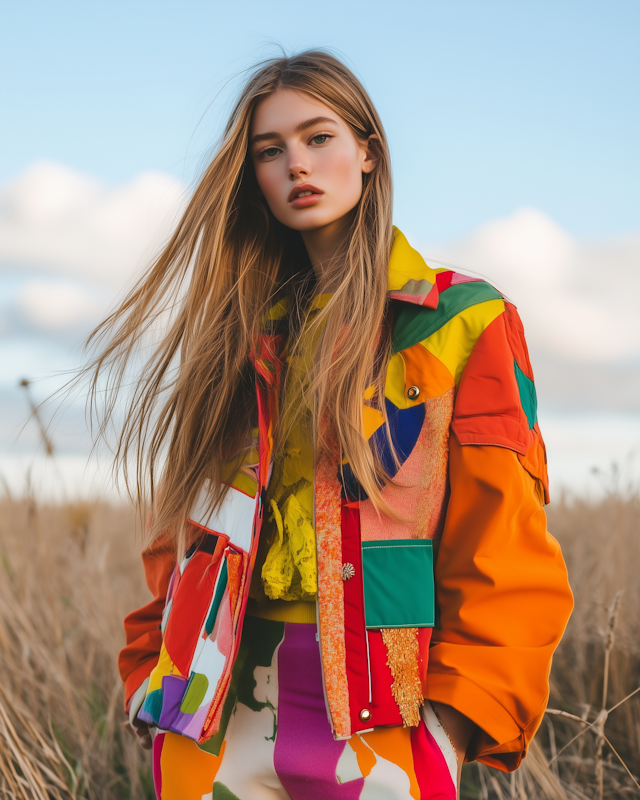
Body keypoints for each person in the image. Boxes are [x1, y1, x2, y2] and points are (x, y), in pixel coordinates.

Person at [97, 51, 573, 799]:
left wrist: (453, 725)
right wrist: (148, 679)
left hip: (384, 717)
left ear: (368, 153)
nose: (297, 165)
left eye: (319, 138)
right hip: (211, 714)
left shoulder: (461, 322)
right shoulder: (236, 336)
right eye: (270, 150)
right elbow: (183, 534)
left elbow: (506, 549)